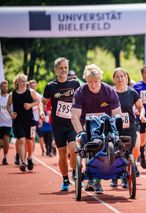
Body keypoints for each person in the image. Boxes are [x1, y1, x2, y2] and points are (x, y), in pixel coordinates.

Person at [71, 63, 122, 194]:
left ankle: (97, 181)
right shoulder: (80, 92)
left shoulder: (109, 91)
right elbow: (75, 116)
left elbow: (117, 114)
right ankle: (92, 179)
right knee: (90, 144)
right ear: (86, 81)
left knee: (104, 142)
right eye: (90, 82)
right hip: (87, 124)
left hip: (105, 124)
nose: (93, 85)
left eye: (96, 81)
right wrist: (80, 133)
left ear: (100, 79)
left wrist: (116, 132)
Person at [43, 57, 80, 191]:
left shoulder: (75, 84)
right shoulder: (50, 86)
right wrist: (42, 112)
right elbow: (44, 101)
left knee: (74, 148)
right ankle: (65, 179)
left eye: (65, 67)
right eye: (61, 68)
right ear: (55, 70)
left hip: (72, 123)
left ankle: (76, 173)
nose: (63, 70)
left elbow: (81, 99)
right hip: (58, 125)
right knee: (62, 153)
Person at [111, 67, 146, 188]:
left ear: (126, 78)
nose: (120, 79)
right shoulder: (111, 92)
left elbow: (141, 106)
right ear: (114, 79)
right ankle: (115, 176)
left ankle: (125, 177)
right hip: (114, 127)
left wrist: (141, 115)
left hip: (129, 126)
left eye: (122, 76)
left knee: (128, 152)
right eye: (118, 77)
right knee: (116, 152)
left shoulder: (132, 92)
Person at [7, 74, 40, 172]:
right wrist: (11, 113)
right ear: (17, 82)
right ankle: (23, 162)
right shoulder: (12, 94)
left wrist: (30, 105)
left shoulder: (31, 92)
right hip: (18, 121)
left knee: (30, 141)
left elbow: (38, 101)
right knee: (21, 140)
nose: (24, 83)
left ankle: (29, 157)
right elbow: (8, 106)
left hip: (30, 120)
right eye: (22, 81)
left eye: (25, 81)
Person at [28, 79, 45, 156]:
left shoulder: (38, 96)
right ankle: (20, 155)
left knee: (34, 137)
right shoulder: (26, 94)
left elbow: (40, 106)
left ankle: (32, 155)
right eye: (31, 86)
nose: (33, 87)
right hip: (26, 119)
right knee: (25, 138)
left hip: (35, 120)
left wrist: (40, 119)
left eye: (34, 86)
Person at [0, 80, 12, 165]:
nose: (4, 88)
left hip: (7, 122)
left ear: (7, 87)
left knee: (6, 139)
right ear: (0, 87)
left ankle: (5, 157)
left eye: (6, 86)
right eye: (3, 86)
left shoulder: (10, 97)